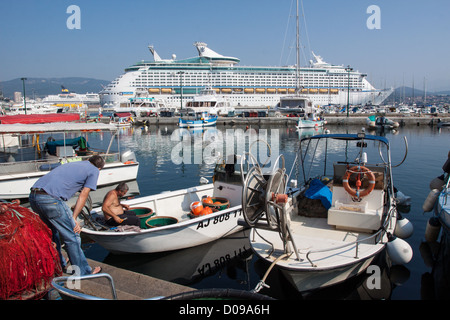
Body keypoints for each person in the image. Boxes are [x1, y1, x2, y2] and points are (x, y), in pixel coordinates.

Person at [29, 155, 105, 275]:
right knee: (73, 236)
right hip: (50, 199)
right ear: (99, 168)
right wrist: (74, 217)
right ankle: (83, 271)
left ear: (88, 160)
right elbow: (84, 194)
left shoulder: (76, 164)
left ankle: (59, 264)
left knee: (52, 233)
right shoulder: (94, 170)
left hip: (34, 196)